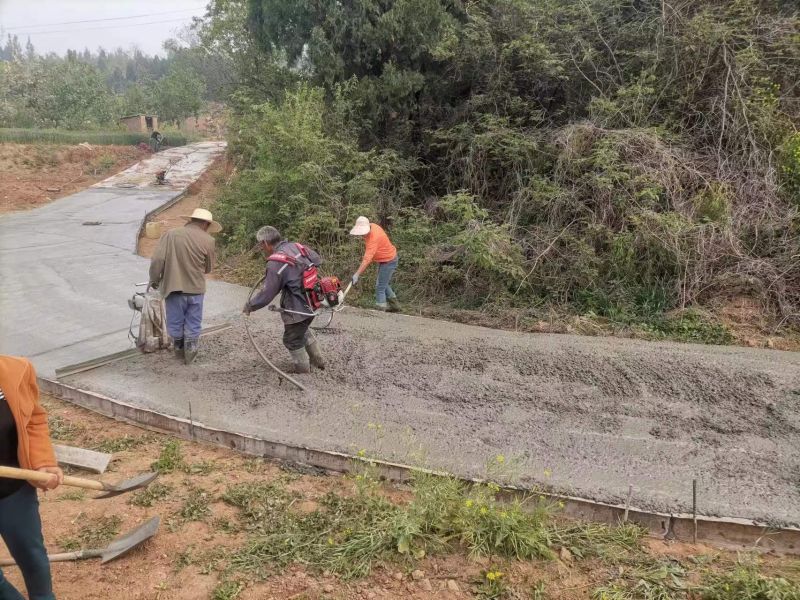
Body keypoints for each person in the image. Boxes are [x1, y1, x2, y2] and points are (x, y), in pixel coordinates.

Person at [0, 355, 63, 600]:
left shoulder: (16, 370)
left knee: (32, 555)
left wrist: (43, 462)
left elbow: (33, 420)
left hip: (15, 490)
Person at [242, 226, 325, 374]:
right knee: (302, 331)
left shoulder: (275, 263)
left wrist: (250, 306)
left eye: (261, 245)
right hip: (313, 302)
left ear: (266, 243)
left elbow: (267, 294)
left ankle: (303, 372)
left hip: (297, 309)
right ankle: (319, 362)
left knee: (291, 339)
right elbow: (317, 260)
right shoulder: (297, 247)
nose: (261, 248)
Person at [149, 208, 220, 365]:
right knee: (193, 322)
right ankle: (191, 355)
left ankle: (179, 352)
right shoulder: (208, 240)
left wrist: (154, 280)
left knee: (175, 321)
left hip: (174, 289)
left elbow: (158, 260)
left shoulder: (171, 235)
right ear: (206, 224)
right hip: (196, 290)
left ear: (191, 220)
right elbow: (208, 268)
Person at [349, 216, 401, 312]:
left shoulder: (373, 238)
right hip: (385, 259)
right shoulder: (372, 225)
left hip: (389, 260)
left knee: (379, 287)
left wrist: (357, 274)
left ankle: (380, 310)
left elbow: (367, 259)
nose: (362, 235)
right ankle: (395, 306)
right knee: (383, 283)